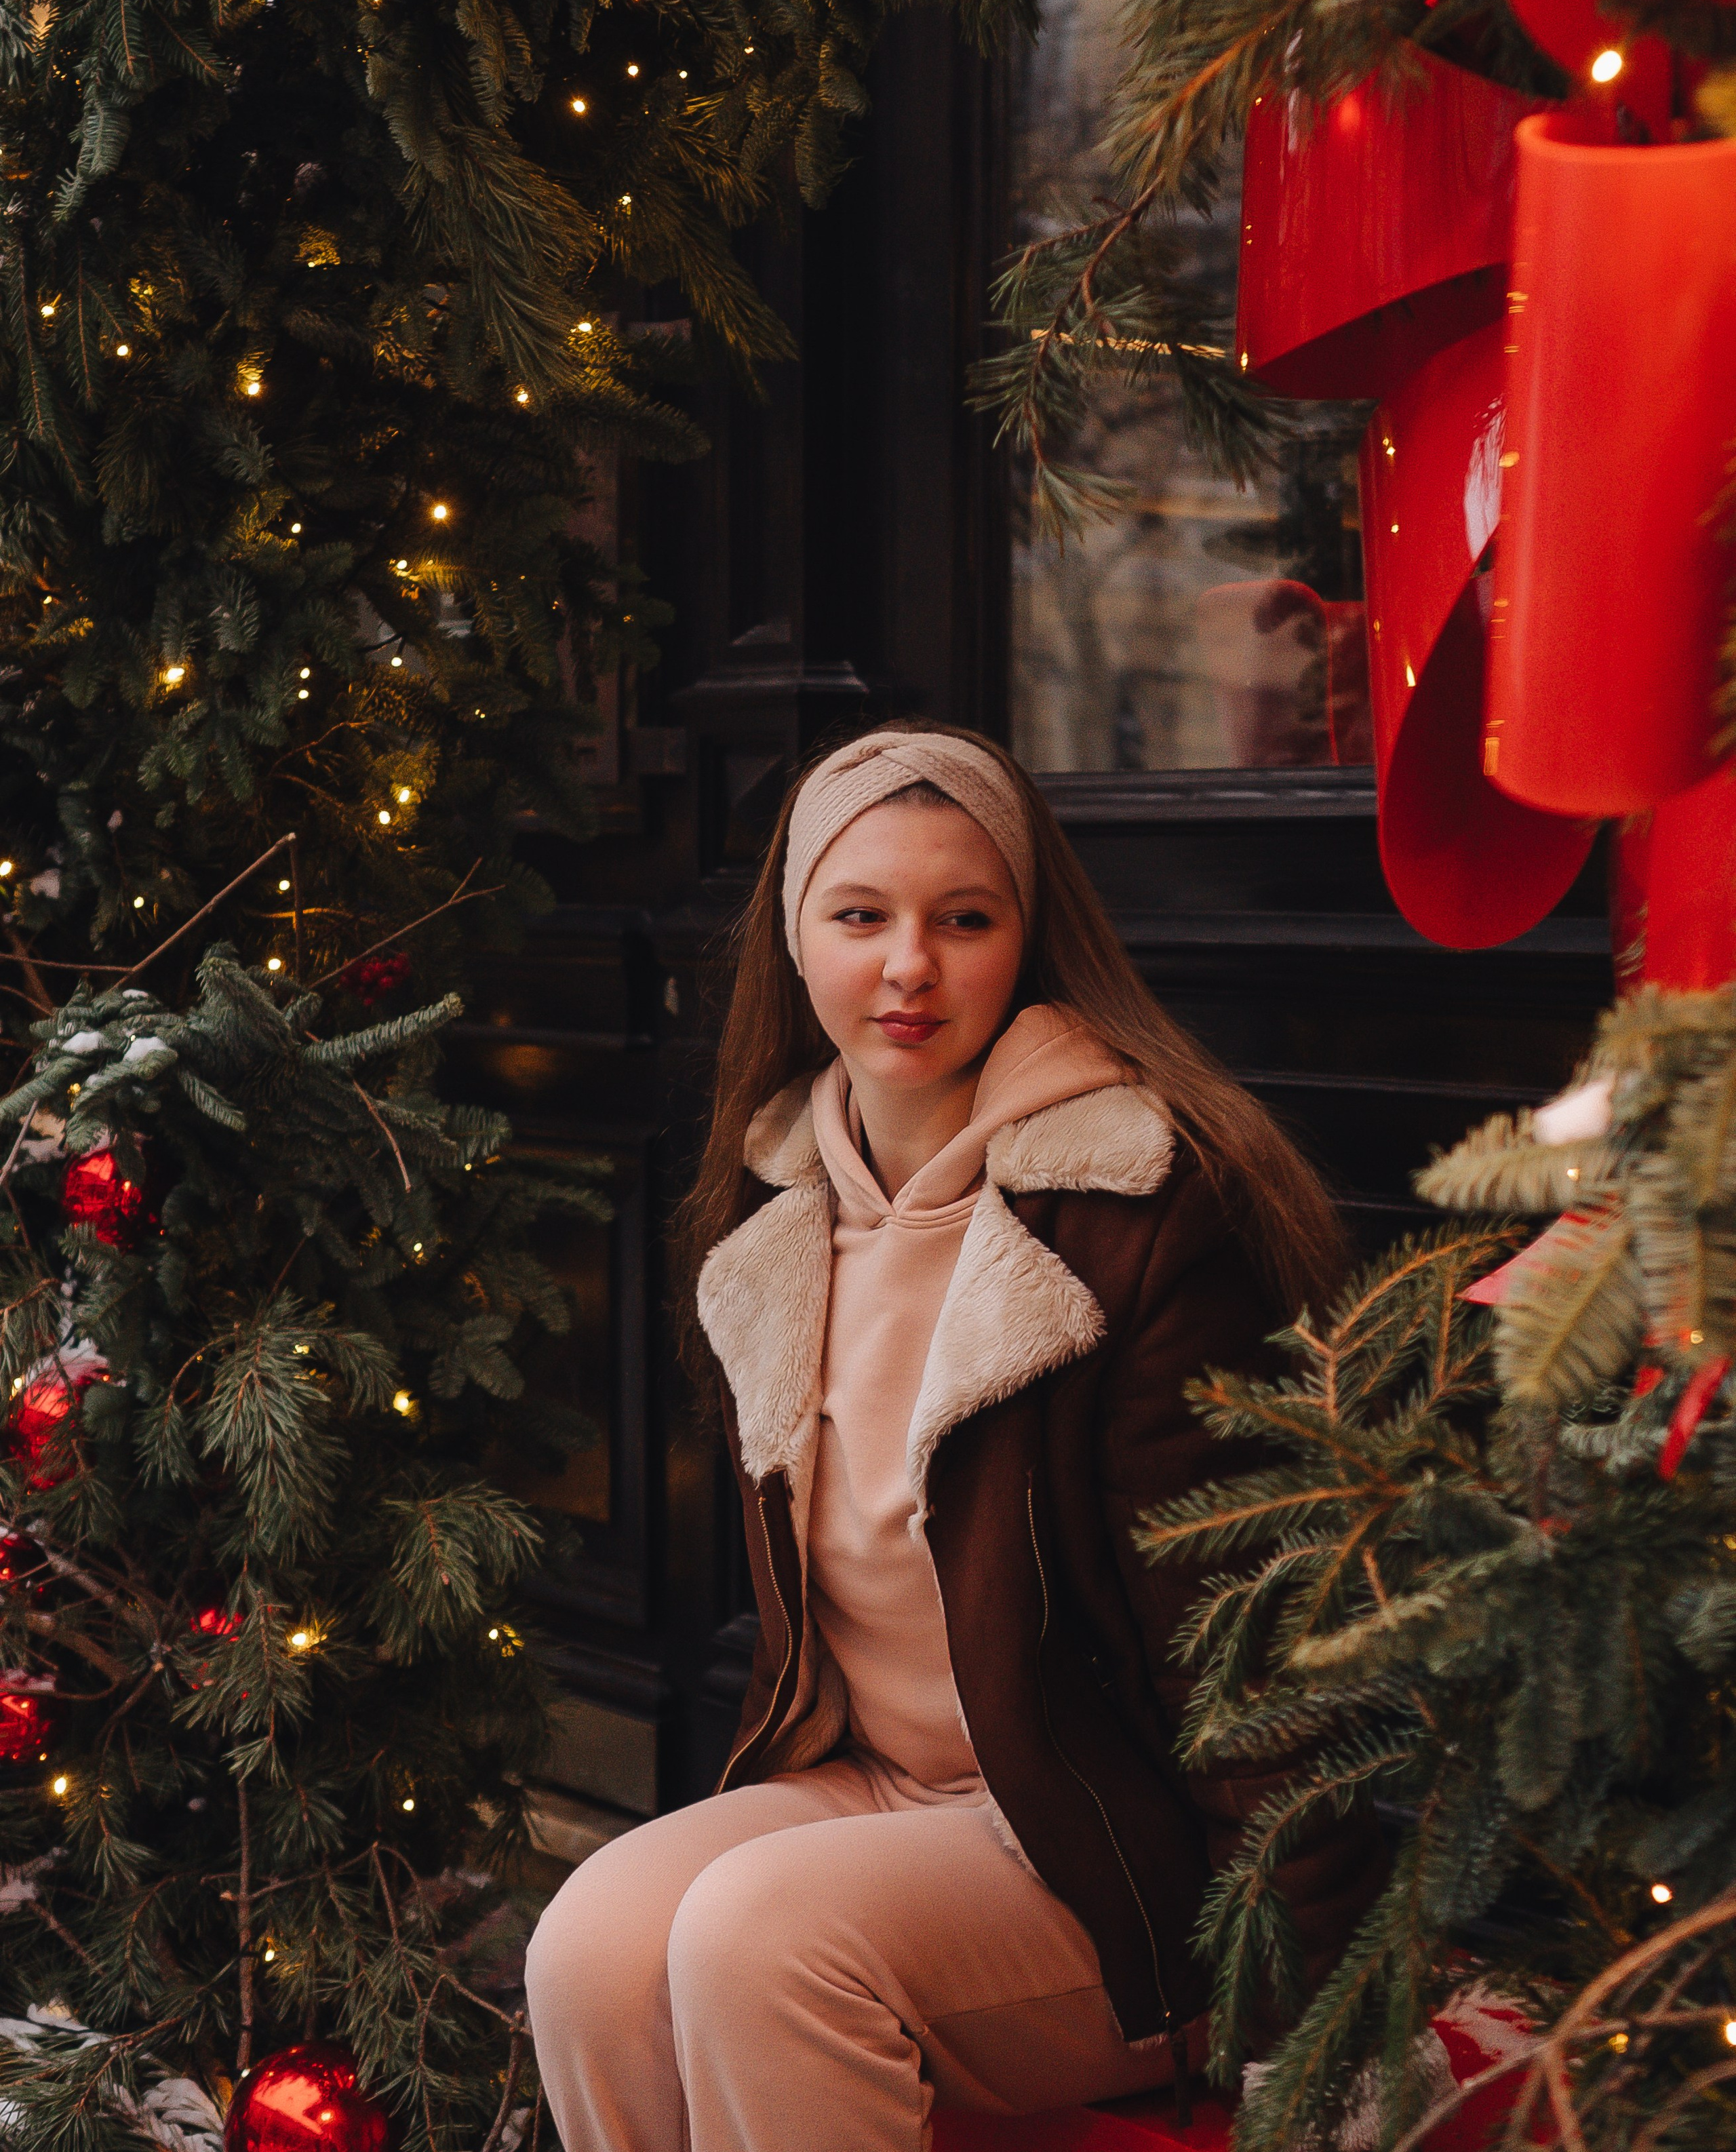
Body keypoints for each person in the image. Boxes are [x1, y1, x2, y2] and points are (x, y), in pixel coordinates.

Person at [525, 721, 1385, 2150]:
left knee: (760, 1941)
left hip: (1108, 1837)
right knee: (591, 1950)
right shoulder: (770, 1211)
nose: (907, 966)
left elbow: (1245, 1632)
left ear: (1026, 940)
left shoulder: (1139, 1206)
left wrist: (1300, 1980)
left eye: (962, 919)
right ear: (794, 941)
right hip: (873, 1788)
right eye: (859, 916)